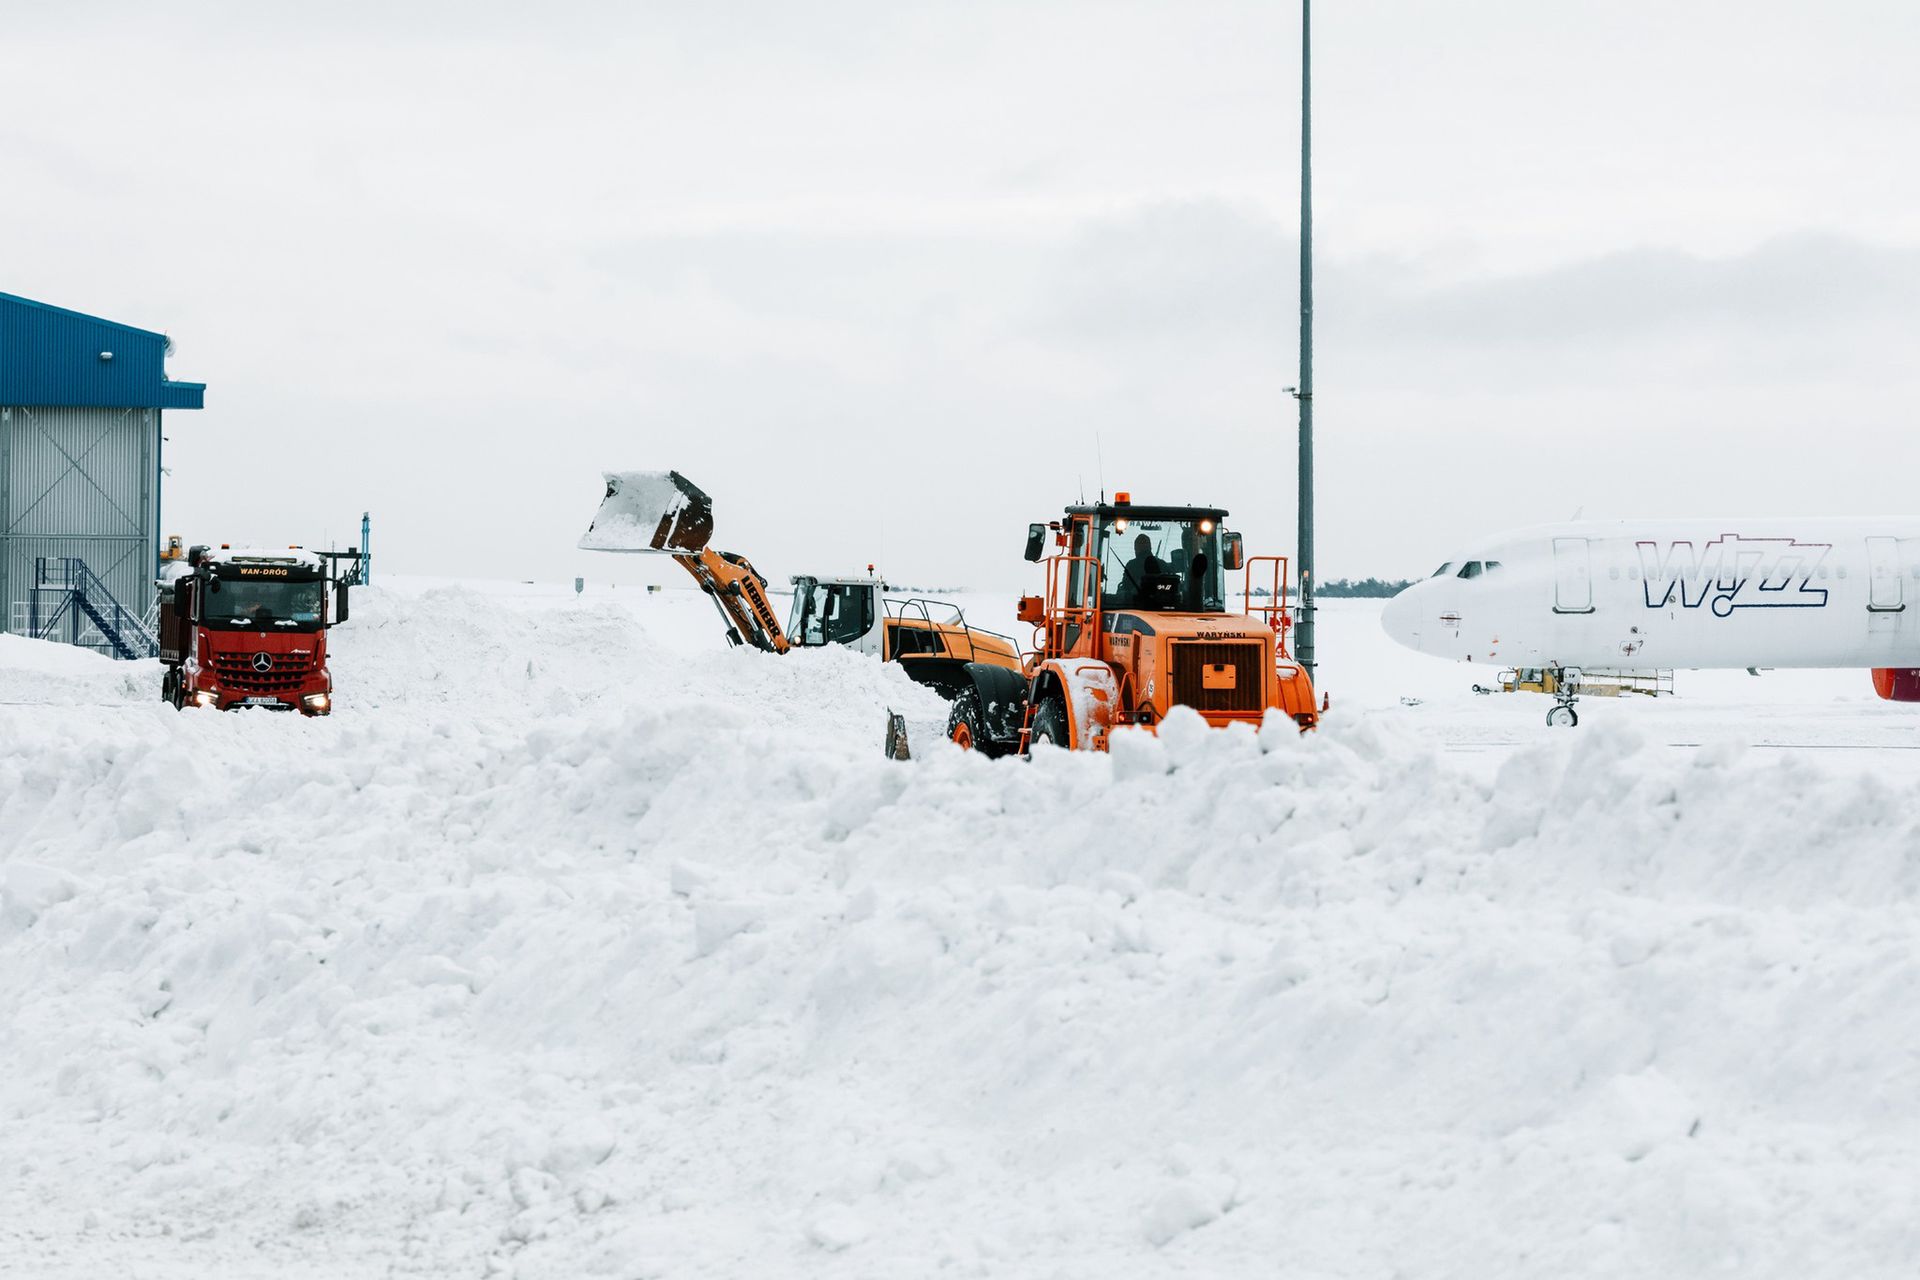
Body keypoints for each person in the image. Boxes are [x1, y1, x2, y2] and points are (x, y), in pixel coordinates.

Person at [1120, 532, 1167, 604]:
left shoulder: (1131, 565)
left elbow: (1126, 587)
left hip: (1135, 605)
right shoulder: (1163, 564)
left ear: (1136, 549)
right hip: (1162, 604)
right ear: (1150, 548)